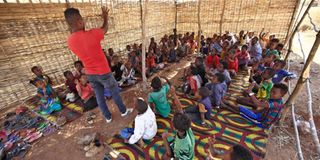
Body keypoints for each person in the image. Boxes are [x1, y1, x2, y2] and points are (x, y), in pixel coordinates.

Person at [65, 7, 132, 123]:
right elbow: (104, 29)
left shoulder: (70, 41)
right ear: (79, 20)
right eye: (82, 20)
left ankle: (108, 117)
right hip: (104, 72)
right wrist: (105, 17)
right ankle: (123, 111)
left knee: (99, 97)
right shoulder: (91, 34)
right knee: (114, 92)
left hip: (91, 74)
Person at [223, 83, 288, 129]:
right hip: (262, 116)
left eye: (274, 92)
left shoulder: (276, 103)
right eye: (271, 91)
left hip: (261, 122)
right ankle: (227, 104)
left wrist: (250, 93)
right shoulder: (277, 99)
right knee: (246, 110)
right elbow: (265, 109)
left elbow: (257, 104)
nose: (271, 93)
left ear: (281, 95)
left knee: (242, 110)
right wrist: (255, 111)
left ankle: (226, 106)